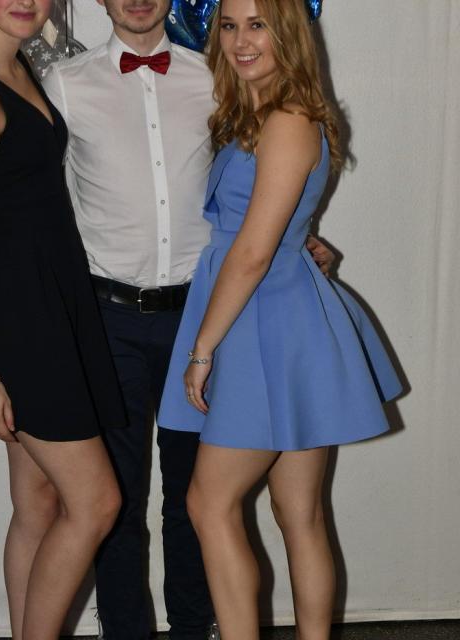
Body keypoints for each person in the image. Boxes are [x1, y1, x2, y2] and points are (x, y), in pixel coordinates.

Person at [0, 1, 336, 637]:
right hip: (102, 319)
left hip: (203, 318)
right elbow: (15, 191)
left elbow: (261, 170)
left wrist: (297, 235)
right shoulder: (60, 83)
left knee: (196, 502)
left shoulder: (219, 77)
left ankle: (193, 630)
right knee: (111, 504)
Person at [157, 1, 403, 638]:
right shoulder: (260, 113)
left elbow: (252, 253)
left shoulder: (288, 119)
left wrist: (202, 349)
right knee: (301, 516)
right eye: (229, 25)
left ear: (287, 32)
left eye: (258, 24)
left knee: (209, 504)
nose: (241, 40)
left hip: (263, 322)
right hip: (272, 315)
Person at [0, 1, 126, 639]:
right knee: (96, 504)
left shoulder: (17, 68)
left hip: (49, 305)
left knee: (38, 505)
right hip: (22, 325)